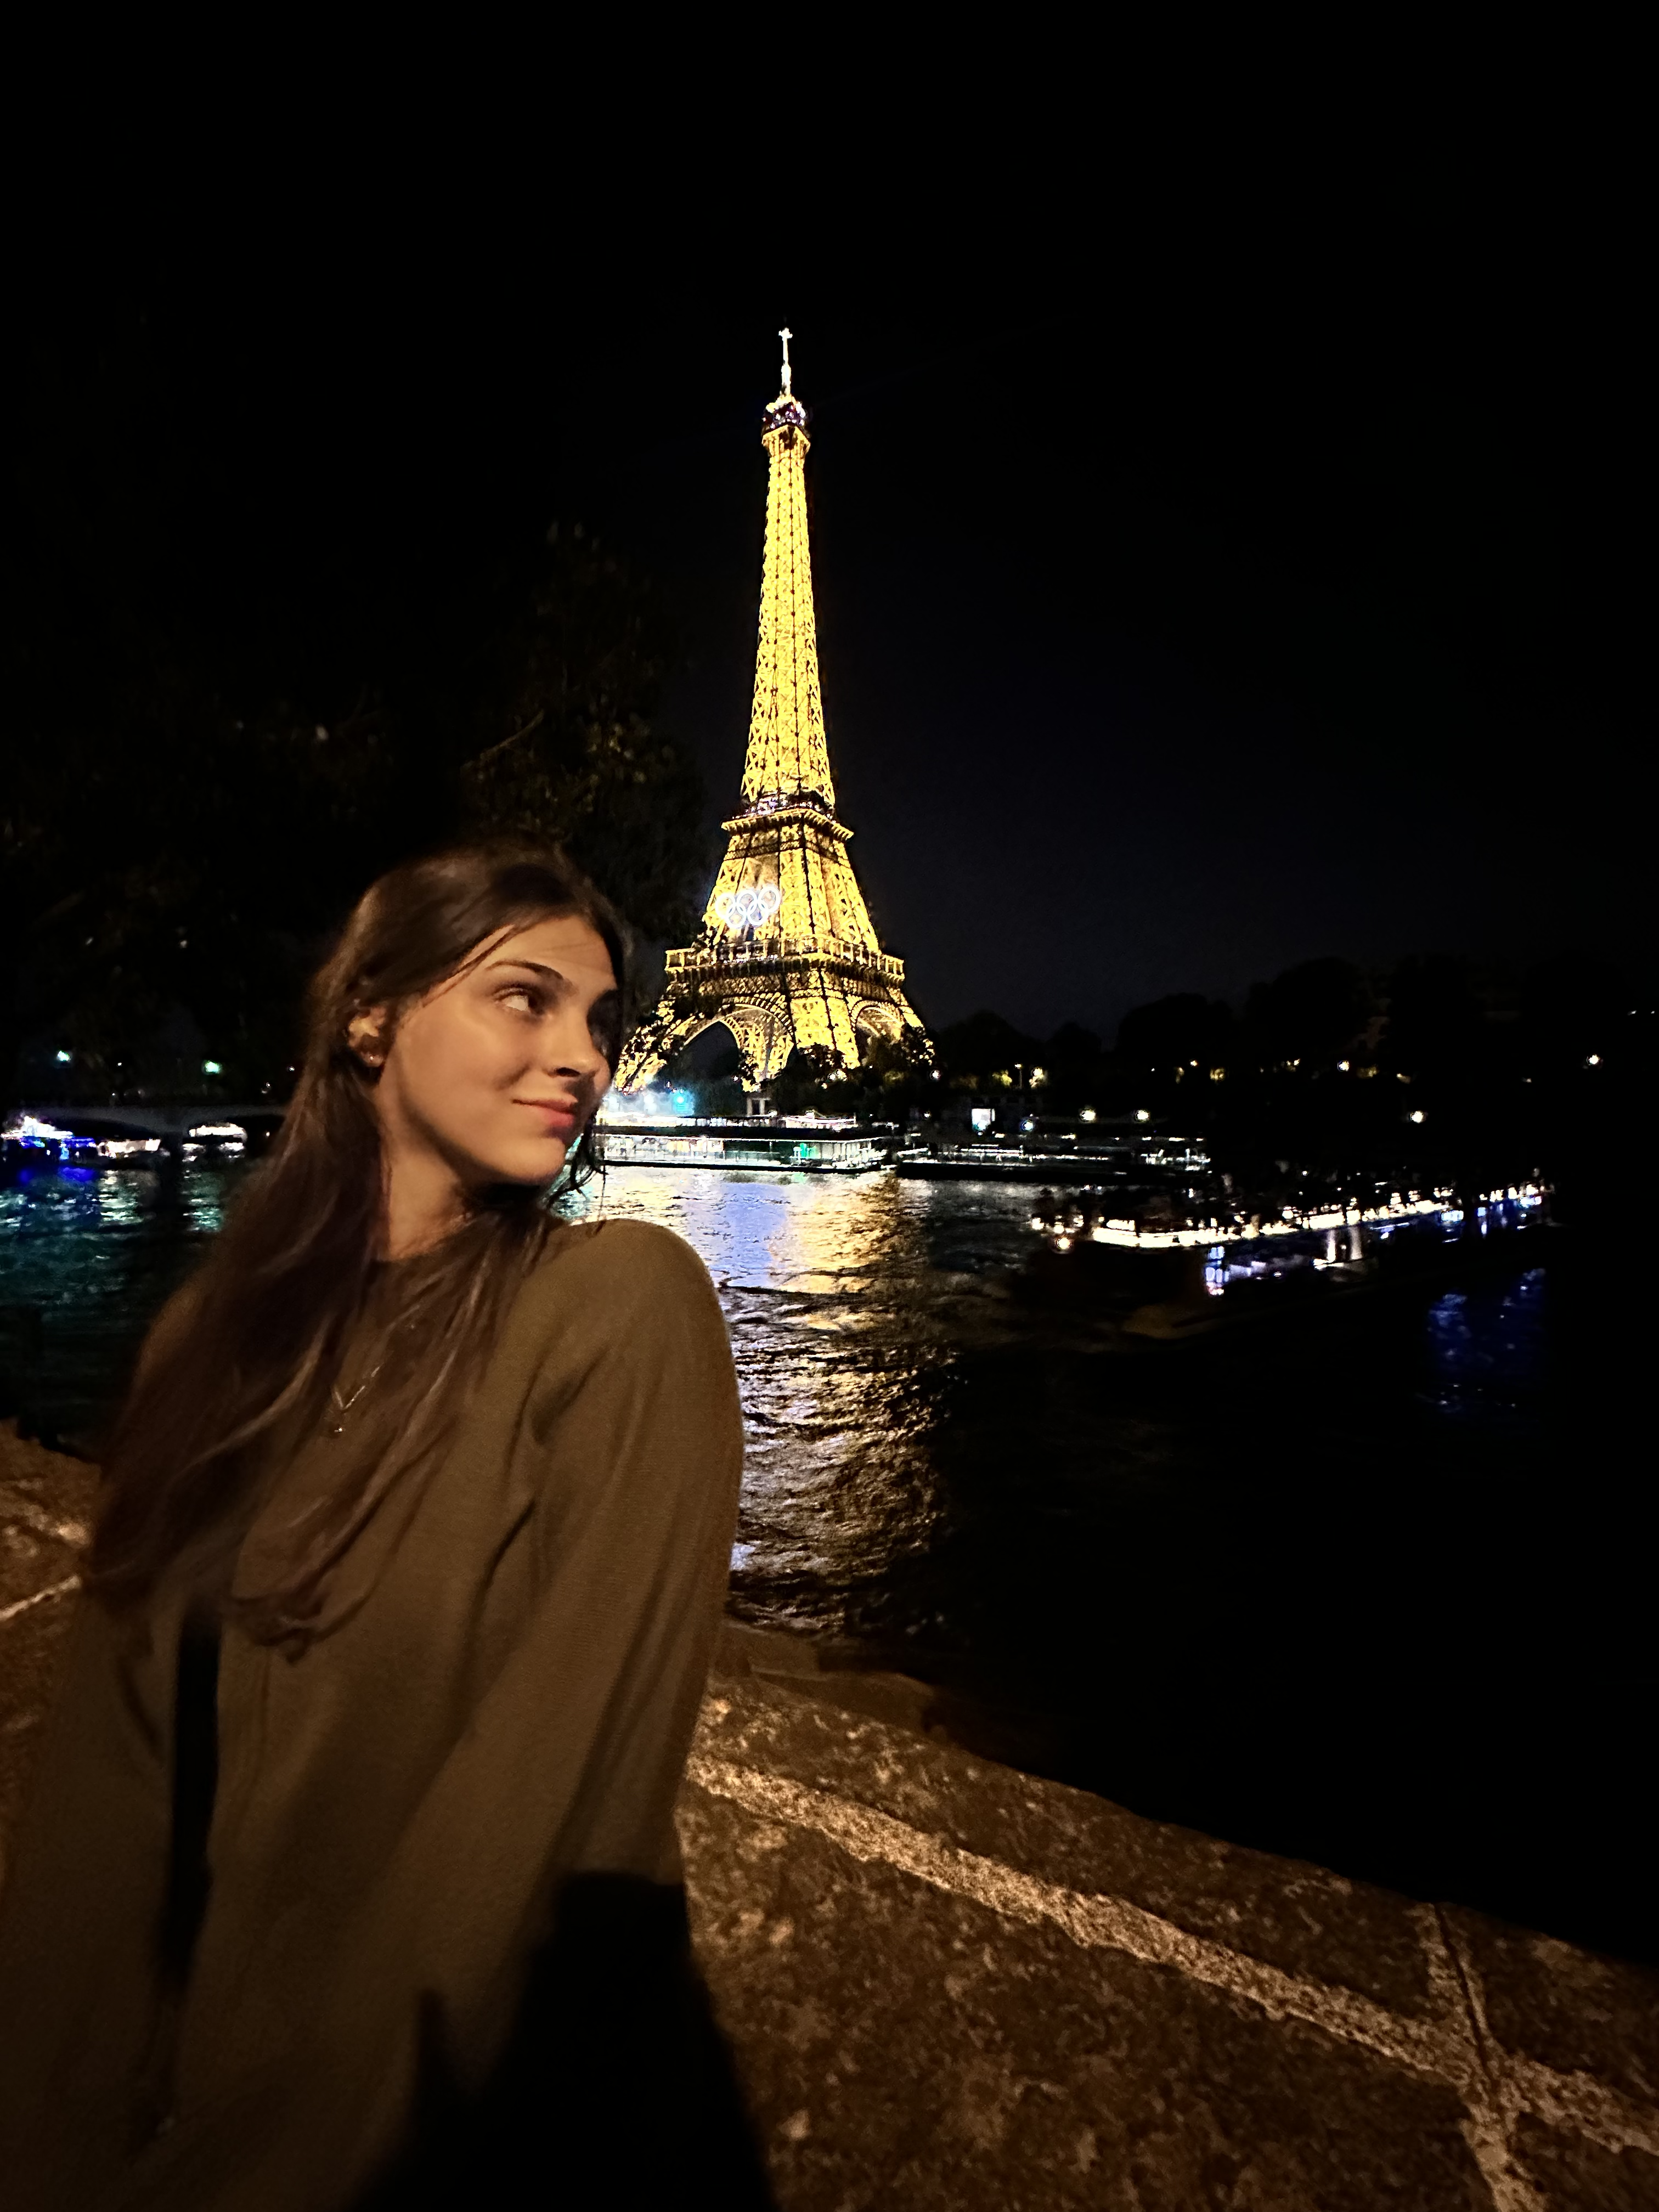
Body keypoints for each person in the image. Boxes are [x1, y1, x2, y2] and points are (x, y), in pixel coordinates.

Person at [0, 841, 773, 2209]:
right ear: (370, 1016)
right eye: (525, 998)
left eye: (601, 1021)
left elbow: (550, 1830)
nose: (585, 1059)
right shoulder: (212, 1341)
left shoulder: (623, 1310)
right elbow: (108, 1802)